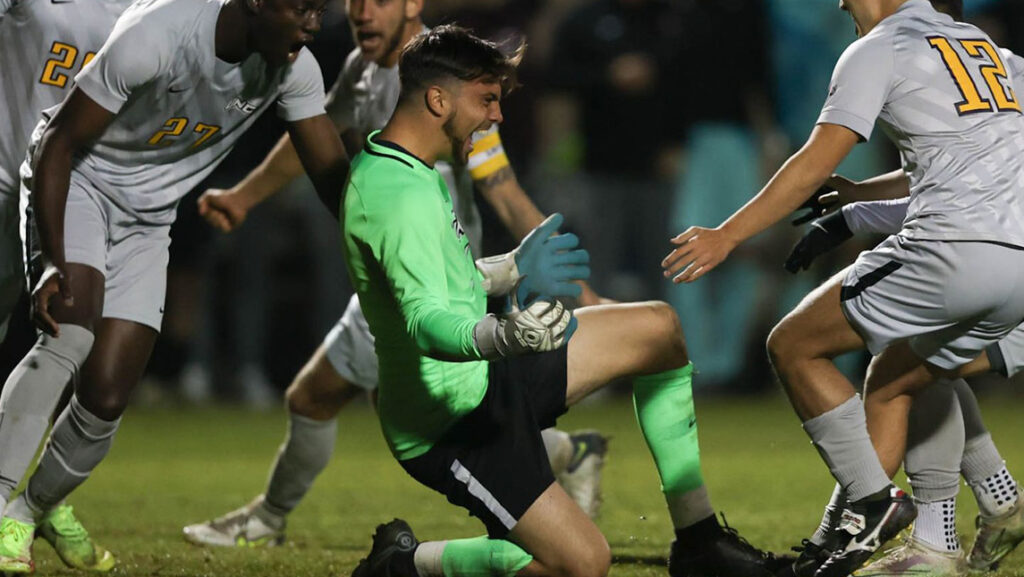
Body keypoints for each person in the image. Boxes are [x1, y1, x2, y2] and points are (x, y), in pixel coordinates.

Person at [342, 24, 782, 577]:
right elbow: (426, 323)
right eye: (486, 100)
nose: (496, 116)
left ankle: (699, 541)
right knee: (583, 564)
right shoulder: (393, 194)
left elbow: (441, 281)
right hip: (451, 425)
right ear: (437, 99)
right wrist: (507, 334)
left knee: (658, 328)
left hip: (490, 375)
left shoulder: (413, 167)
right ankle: (405, 566)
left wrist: (509, 269)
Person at [182, 0, 609, 549]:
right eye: (354, 1)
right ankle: (569, 453)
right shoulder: (365, 69)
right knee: (389, 403)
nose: (361, 12)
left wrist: (581, 292)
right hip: (397, 271)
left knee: (315, 398)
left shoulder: (452, 78)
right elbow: (314, 133)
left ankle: (271, 519)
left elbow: (501, 187)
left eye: (377, 0)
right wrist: (245, 196)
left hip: (431, 282)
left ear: (412, 4)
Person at [662, 0, 1024, 575]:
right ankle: (910, 539)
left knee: (794, 344)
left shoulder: (879, 47)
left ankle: (874, 506)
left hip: (952, 251)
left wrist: (727, 235)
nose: (841, 4)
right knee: (896, 379)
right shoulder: (995, 56)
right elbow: (965, 158)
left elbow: (814, 157)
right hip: (1018, 269)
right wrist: (858, 200)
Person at [0, 0, 350, 572]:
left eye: (320, 9)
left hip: (149, 219)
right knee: (69, 334)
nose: (313, 23)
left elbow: (336, 183)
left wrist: (393, 240)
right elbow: (58, 144)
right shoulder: (157, 32)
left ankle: (30, 510)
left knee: (107, 397)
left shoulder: (295, 68)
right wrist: (53, 262)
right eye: (302, 8)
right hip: (80, 180)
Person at [0, 0, 133, 571]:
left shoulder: (151, 11)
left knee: (59, 348)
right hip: (4, 185)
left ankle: (33, 501)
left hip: (72, 202)